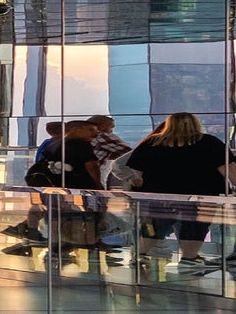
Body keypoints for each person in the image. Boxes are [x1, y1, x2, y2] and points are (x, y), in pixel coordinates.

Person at [125, 112, 230, 271]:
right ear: (196, 124)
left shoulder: (151, 143)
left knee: (156, 225)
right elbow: (227, 169)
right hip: (200, 194)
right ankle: (189, 258)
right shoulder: (209, 142)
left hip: (159, 195)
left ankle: (141, 254)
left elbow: (136, 172)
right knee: (195, 226)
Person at [86, 115, 134, 188]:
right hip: (97, 174)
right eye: (111, 127)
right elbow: (128, 152)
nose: (112, 130)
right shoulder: (103, 136)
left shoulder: (87, 137)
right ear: (102, 126)